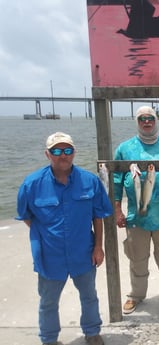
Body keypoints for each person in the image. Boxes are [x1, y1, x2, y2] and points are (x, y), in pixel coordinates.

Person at [16, 132, 112, 345]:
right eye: (56, 151)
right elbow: (25, 216)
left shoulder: (90, 181)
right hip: (50, 256)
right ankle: (49, 340)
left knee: (89, 296)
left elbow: (98, 216)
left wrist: (98, 247)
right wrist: (47, 234)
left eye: (67, 150)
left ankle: (92, 332)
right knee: (48, 302)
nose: (63, 156)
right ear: (47, 154)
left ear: (74, 153)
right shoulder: (31, 184)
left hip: (83, 252)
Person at [114, 105, 159, 314]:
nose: (147, 122)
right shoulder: (124, 149)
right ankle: (136, 296)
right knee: (137, 259)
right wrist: (117, 210)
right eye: (142, 119)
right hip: (136, 218)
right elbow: (116, 181)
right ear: (137, 122)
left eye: (150, 118)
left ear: (156, 121)